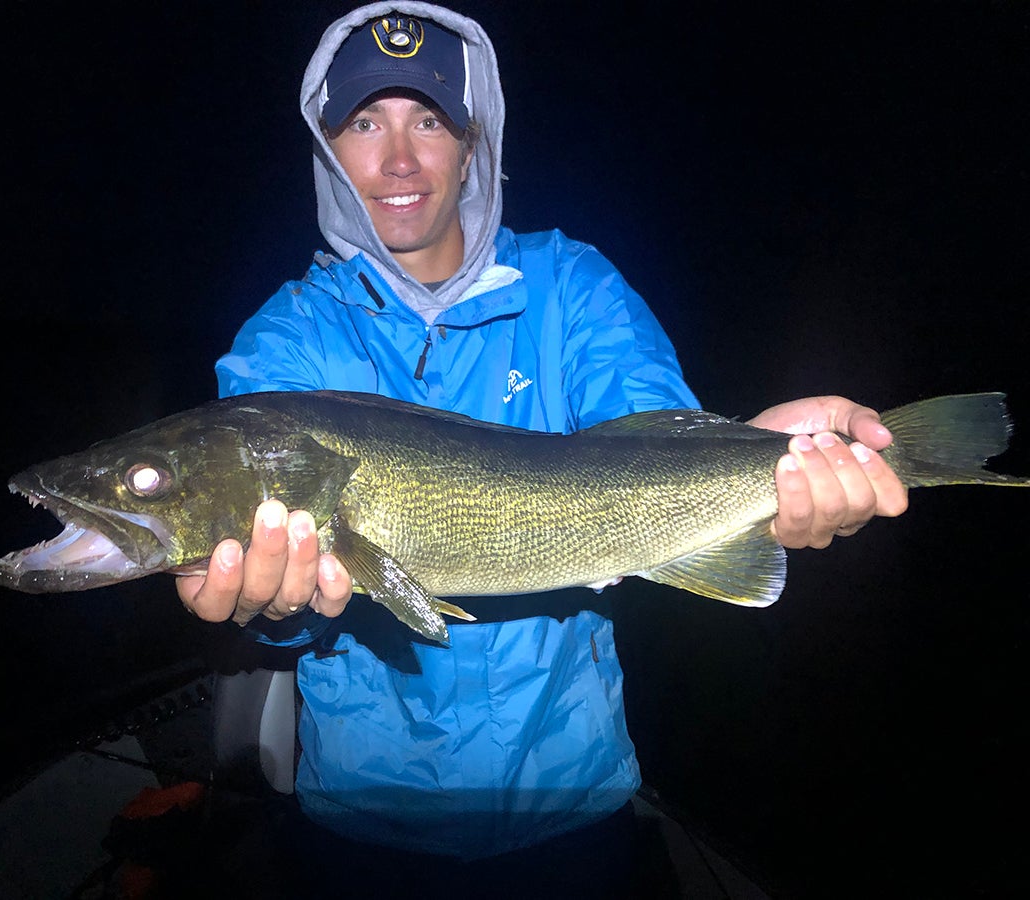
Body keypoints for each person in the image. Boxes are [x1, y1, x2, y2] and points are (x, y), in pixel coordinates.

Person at [177, 2, 907, 886]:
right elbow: (273, 609)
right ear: (329, 150)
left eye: (429, 121)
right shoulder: (281, 346)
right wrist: (273, 606)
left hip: (577, 808)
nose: (399, 159)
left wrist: (759, 463)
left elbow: (653, 436)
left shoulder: (572, 286)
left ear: (474, 142)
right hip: (367, 827)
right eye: (365, 123)